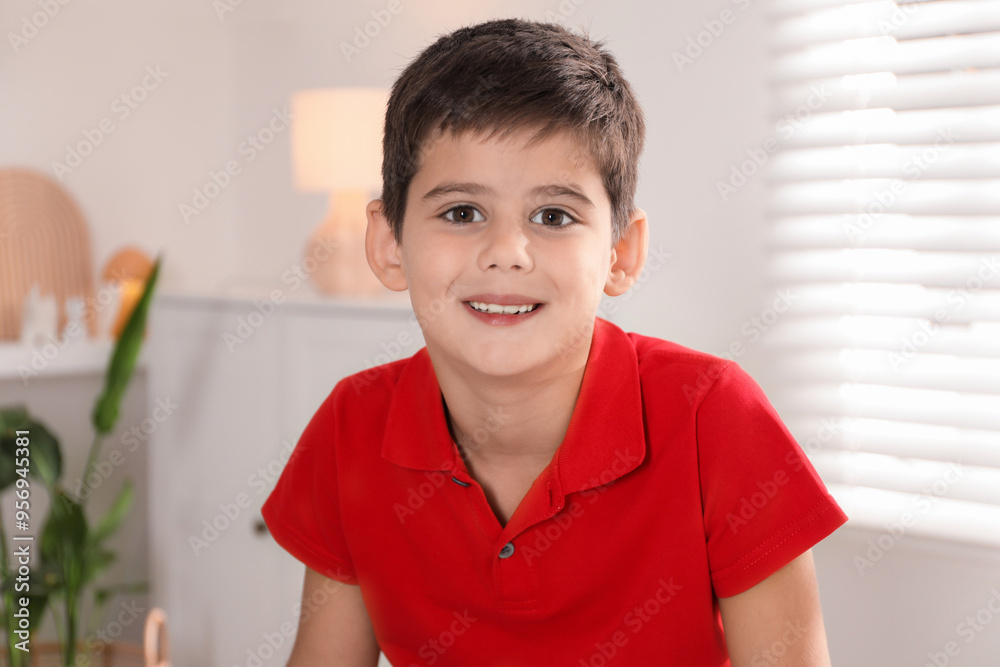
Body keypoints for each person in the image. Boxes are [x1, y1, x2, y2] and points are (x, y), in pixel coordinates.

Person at [262, 17, 847, 666]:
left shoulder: (715, 415)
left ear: (621, 253)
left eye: (553, 215)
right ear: (388, 243)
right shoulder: (352, 425)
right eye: (461, 212)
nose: (507, 252)